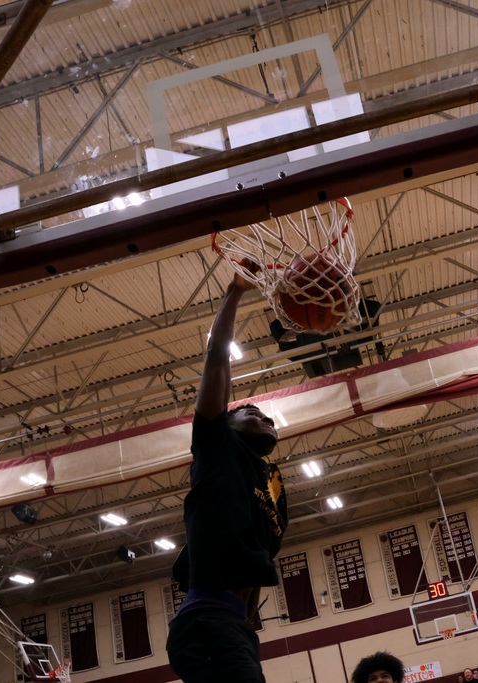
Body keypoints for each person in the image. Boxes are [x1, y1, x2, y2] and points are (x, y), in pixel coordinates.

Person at [165, 266, 289, 683]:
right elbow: (217, 354)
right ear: (226, 422)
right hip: (207, 623)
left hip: (234, 625)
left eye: (267, 414)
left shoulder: (271, 485)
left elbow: (259, 558)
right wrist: (235, 292)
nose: (264, 415)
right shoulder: (216, 446)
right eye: (249, 411)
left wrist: (250, 617)